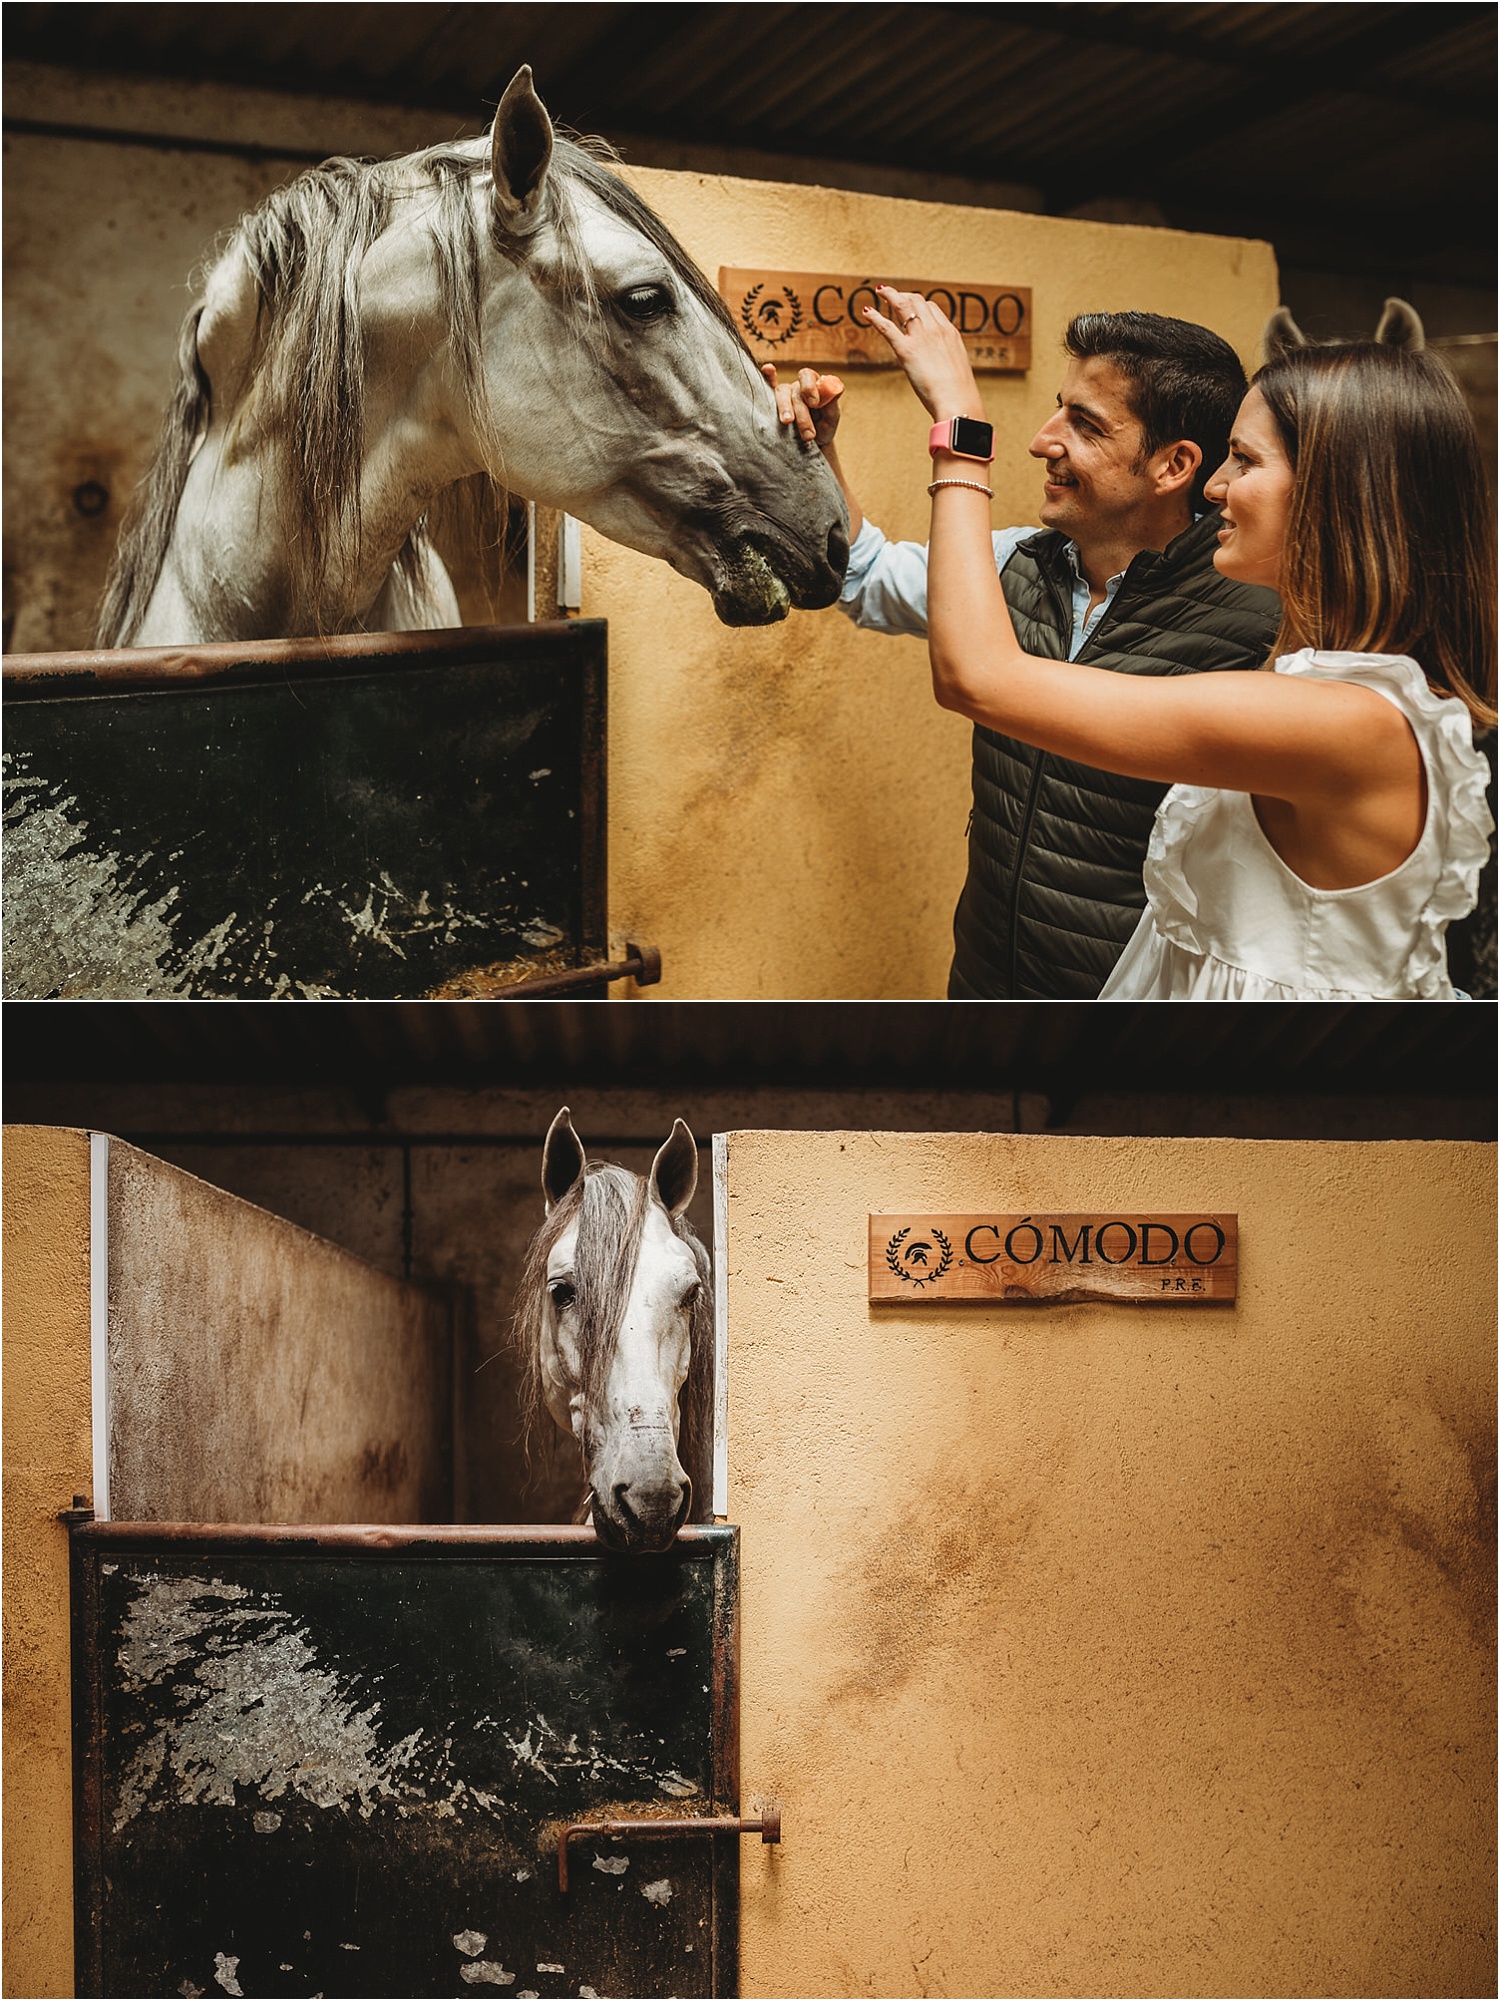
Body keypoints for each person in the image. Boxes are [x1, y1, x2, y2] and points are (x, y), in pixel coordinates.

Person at [815, 284, 1495, 1000]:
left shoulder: (1345, 721)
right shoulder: (1318, 684)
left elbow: (977, 678)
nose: (1216, 486)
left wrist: (959, 422)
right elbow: (874, 574)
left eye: (1244, 461)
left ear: (1335, 491)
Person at [768, 312, 1281, 998]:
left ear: (1175, 465)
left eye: (1086, 425)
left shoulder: (1264, 626)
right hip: (986, 987)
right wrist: (816, 455)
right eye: (1057, 412)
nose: (1044, 442)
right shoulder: (1014, 563)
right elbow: (864, 573)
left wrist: (959, 420)